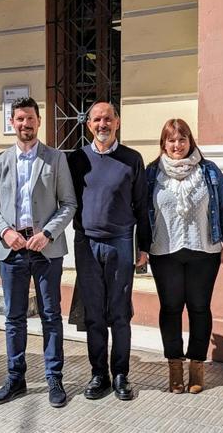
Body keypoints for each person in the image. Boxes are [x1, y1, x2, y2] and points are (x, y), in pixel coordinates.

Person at [0, 97, 77, 408]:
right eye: (19, 119)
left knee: (50, 316)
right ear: (12, 123)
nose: (25, 124)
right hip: (12, 250)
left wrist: (47, 233)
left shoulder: (56, 159)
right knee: (14, 317)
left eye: (30, 119)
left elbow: (69, 204)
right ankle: (16, 377)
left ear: (39, 120)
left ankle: (54, 377)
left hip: (46, 249)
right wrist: (6, 232)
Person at [67, 102, 151, 401]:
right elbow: (68, 201)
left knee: (119, 313)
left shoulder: (132, 159)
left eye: (108, 119)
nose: (103, 124)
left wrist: (144, 247)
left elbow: (142, 206)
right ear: (88, 125)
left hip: (120, 244)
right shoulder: (77, 159)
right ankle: (98, 374)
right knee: (94, 314)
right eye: (97, 120)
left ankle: (120, 374)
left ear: (117, 122)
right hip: (87, 244)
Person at [146, 118, 223, 394]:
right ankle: (174, 367)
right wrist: (140, 246)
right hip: (164, 252)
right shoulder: (152, 173)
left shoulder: (208, 171)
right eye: (171, 140)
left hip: (203, 251)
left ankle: (196, 366)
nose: (177, 145)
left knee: (198, 307)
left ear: (190, 141)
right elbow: (140, 210)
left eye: (182, 139)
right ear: (164, 144)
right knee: (170, 309)